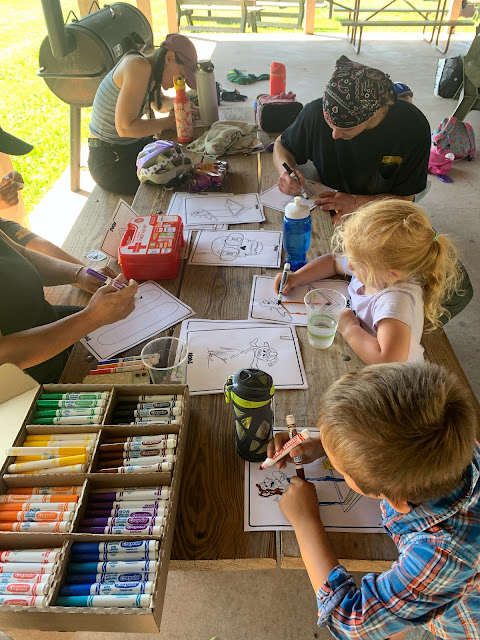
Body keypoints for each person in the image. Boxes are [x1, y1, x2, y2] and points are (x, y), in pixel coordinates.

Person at [269, 361, 479, 640]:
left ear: (396, 501)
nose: (336, 465)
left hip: (461, 621)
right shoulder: (451, 437)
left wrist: (305, 521)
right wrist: (332, 444)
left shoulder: (441, 555)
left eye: (341, 470)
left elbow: (350, 622)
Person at [0, 128, 138, 383]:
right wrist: (91, 317)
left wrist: (78, 274)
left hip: (46, 323)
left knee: (138, 329)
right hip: (29, 377)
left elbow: (21, 254)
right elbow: (4, 354)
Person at [274, 200, 461, 364]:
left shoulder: (395, 302)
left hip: (392, 381)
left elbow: (388, 361)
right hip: (360, 351)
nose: (350, 265)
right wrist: (297, 277)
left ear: (392, 275)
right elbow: (333, 262)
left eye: (357, 263)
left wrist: (349, 328)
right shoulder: (375, 267)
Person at [274, 56, 431, 224]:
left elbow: (406, 198)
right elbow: (282, 144)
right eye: (330, 125)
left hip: (381, 208)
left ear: (375, 113)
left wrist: (356, 203)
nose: (334, 135)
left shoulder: (412, 128)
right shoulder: (314, 113)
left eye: (346, 129)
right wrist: (286, 171)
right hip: (329, 197)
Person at [88, 33, 198, 195]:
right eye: (181, 75)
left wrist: (182, 105)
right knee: (175, 182)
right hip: (110, 159)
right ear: (169, 58)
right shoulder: (138, 66)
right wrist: (171, 122)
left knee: (184, 161)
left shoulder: (149, 68)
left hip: (127, 147)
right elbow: (125, 128)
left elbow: (158, 103)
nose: (179, 81)